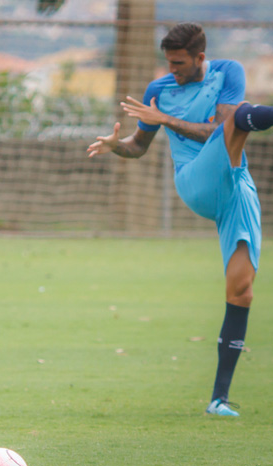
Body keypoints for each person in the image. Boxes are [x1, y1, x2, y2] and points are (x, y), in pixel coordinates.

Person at [87, 22, 273, 417]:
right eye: (168, 62)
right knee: (241, 116)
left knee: (241, 292)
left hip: (237, 188)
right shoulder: (160, 91)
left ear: (200, 58)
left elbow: (214, 131)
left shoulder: (228, 72)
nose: (172, 70)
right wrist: (115, 145)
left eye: (179, 63)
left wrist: (165, 119)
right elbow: (139, 146)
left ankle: (218, 399)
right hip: (196, 181)